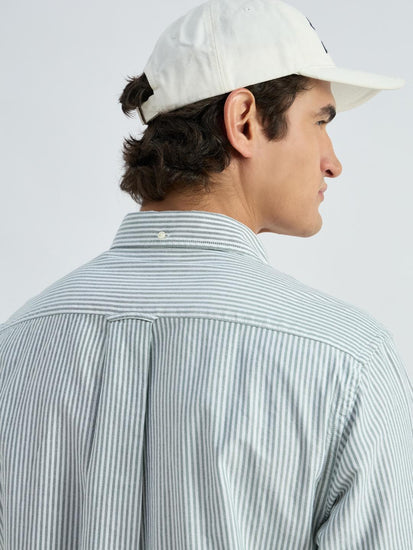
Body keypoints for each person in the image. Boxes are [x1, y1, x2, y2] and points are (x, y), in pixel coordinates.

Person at [0, 0, 411, 548]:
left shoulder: (17, 347)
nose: (333, 161)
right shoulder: (349, 361)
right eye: (320, 122)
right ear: (244, 121)